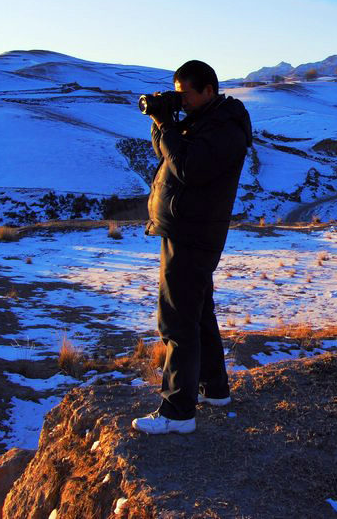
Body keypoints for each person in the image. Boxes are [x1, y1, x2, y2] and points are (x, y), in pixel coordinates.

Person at [131, 60, 252, 435]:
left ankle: (177, 411)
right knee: (198, 313)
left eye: (186, 93)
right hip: (185, 228)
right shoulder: (204, 119)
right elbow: (166, 154)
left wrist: (168, 124)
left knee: (176, 318)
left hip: (194, 233)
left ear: (208, 91)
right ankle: (213, 389)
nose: (181, 100)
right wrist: (160, 121)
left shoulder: (225, 126)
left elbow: (188, 168)